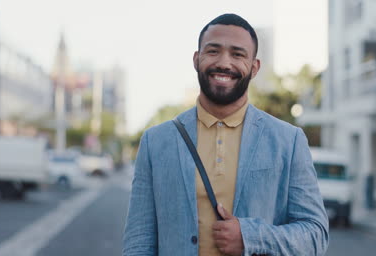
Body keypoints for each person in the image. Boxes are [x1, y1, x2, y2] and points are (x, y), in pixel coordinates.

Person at [123, 13, 329, 256]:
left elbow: (316, 236)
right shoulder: (156, 142)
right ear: (196, 59)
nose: (224, 62)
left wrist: (250, 237)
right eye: (213, 51)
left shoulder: (288, 141)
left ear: (254, 67)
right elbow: (139, 241)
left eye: (237, 54)